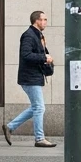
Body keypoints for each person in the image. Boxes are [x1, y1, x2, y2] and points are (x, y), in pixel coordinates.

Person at [4, 10, 56, 147]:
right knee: (39, 107)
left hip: (33, 76)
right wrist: (44, 57)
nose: (45, 22)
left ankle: (10, 127)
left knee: (36, 107)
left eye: (46, 19)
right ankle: (39, 138)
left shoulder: (38, 35)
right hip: (29, 77)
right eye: (43, 19)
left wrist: (47, 57)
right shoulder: (28, 35)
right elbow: (26, 55)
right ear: (36, 21)